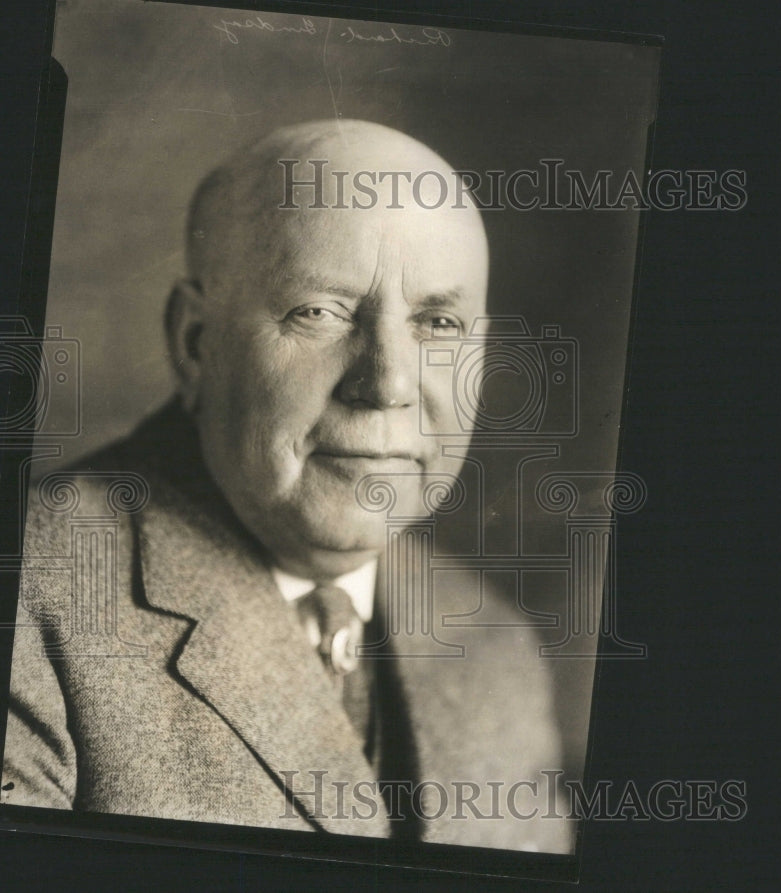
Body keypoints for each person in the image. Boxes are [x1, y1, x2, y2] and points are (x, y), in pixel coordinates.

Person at [1, 120, 571, 853]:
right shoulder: (34, 602)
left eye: (438, 321)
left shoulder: (497, 648)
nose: (388, 383)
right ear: (196, 343)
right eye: (320, 312)